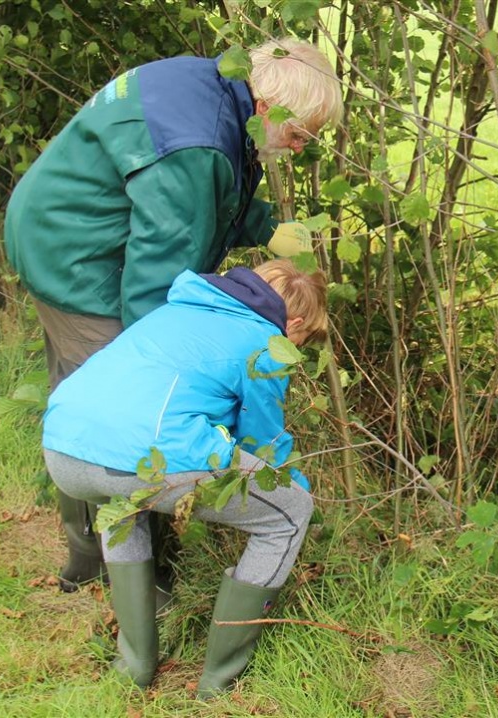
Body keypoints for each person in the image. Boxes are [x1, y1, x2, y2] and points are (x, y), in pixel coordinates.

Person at [3, 38, 343, 597]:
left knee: (85, 394)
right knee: (125, 416)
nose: (301, 149)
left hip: (55, 226)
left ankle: (91, 555)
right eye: (299, 134)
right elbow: (154, 293)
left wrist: (263, 226)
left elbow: (205, 197)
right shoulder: (199, 145)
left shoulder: (219, 87)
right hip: (77, 257)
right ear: (266, 109)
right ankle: (139, 581)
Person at [41, 259, 327, 697]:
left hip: (64, 449)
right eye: (302, 341)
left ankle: (134, 664)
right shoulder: (266, 342)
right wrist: (297, 487)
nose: (296, 350)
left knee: (124, 504)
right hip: (141, 455)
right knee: (289, 513)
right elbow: (264, 446)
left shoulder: (178, 307)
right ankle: (218, 682)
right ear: (297, 323)